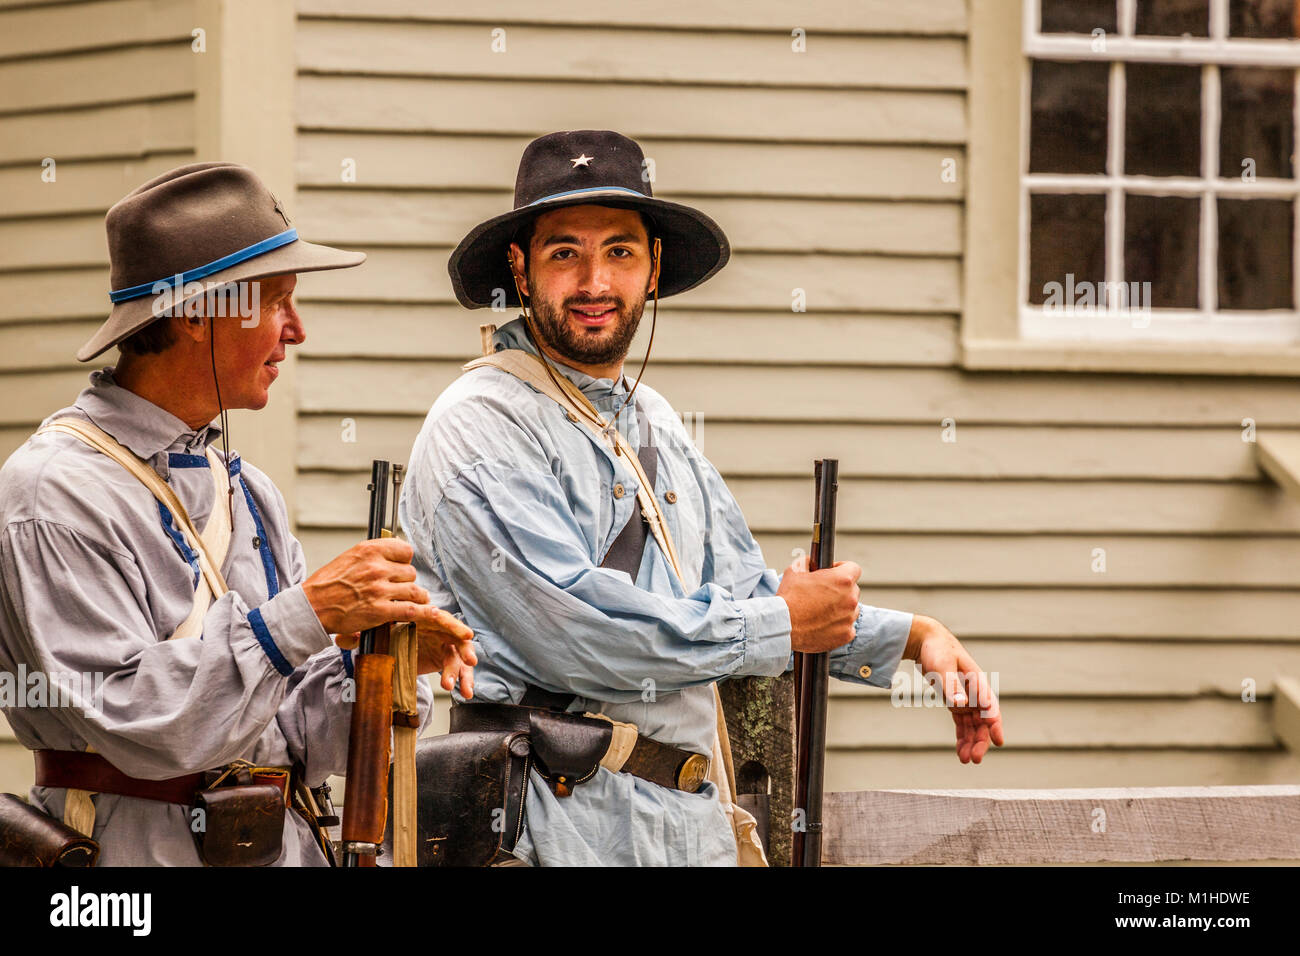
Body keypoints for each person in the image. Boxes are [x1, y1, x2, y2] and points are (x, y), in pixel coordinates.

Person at [401, 130, 1003, 866]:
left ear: (653, 269)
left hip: (684, 830)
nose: (595, 282)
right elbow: (580, 632)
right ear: (521, 272)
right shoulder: (477, 423)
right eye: (565, 253)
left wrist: (914, 638)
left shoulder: (652, 421)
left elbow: (741, 592)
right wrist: (783, 621)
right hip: (547, 832)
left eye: (620, 251)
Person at [0, 162, 476, 866]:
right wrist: (307, 616)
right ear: (195, 311)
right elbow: (144, 725)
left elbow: (294, 739)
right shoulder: (51, 492)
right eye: (277, 300)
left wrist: (377, 665)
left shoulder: (247, 489)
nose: (297, 330)